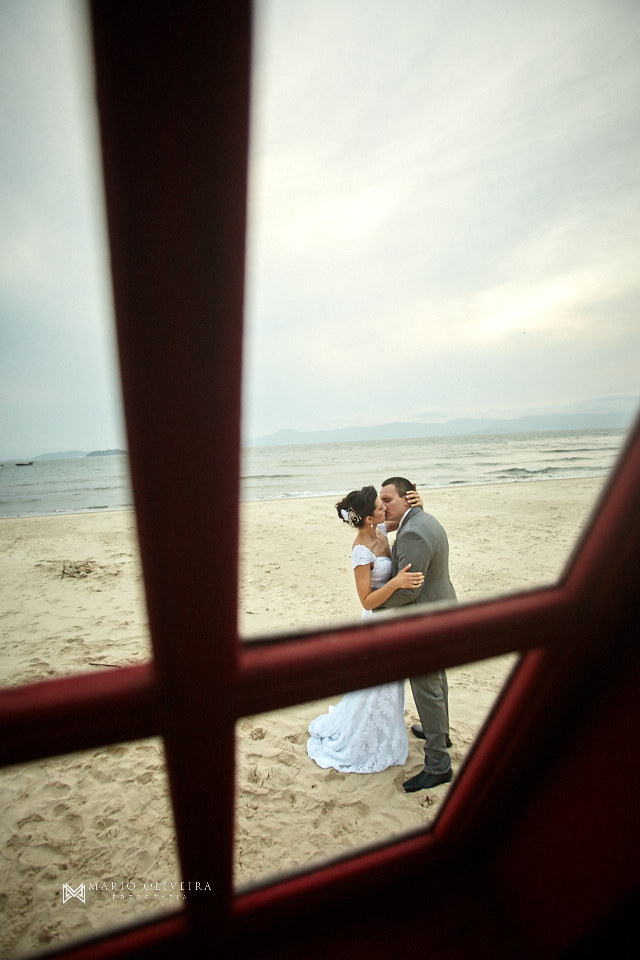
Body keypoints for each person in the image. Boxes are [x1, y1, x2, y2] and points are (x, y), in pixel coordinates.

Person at [306, 484, 424, 774]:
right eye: (381, 507)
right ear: (370, 518)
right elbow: (367, 601)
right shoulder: (361, 551)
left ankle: (385, 731)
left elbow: (405, 518)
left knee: (390, 684)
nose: (386, 508)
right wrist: (396, 583)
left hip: (393, 619)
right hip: (376, 623)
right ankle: (362, 740)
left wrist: (418, 503)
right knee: (375, 685)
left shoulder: (380, 529)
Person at [377, 476, 457, 793]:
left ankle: (438, 766)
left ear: (407, 498)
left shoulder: (412, 532)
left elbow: (410, 590)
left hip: (425, 620)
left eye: (388, 500)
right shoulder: (424, 520)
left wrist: (375, 604)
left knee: (426, 688)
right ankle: (441, 733)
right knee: (437, 680)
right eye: (380, 501)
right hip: (442, 610)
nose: (382, 506)